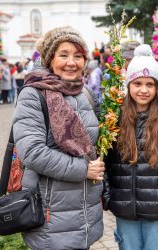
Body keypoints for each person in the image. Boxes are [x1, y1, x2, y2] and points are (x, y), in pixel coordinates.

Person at [12, 26, 105, 250]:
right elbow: (32, 152)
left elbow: (94, 141)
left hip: (85, 212)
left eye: (78, 56)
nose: (71, 62)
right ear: (50, 58)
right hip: (51, 214)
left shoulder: (84, 93)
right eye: (63, 55)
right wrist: (83, 170)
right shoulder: (34, 94)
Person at [102, 44, 158, 250]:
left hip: (157, 212)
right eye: (137, 83)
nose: (143, 90)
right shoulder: (114, 119)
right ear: (128, 84)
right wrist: (108, 196)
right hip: (124, 210)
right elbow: (103, 161)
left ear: (157, 87)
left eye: (150, 84)